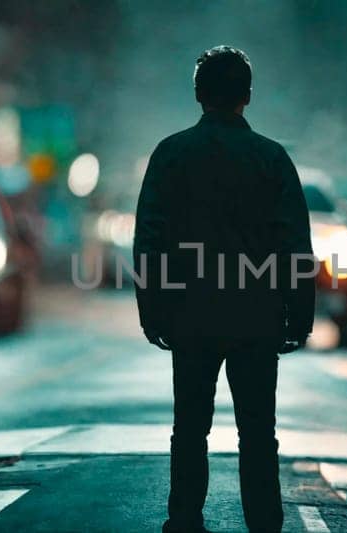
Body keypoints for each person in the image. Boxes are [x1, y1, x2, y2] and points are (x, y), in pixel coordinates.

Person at [133, 45, 315, 532]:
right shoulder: (272, 159)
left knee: (189, 429)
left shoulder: (171, 154)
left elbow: (149, 241)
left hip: (190, 314)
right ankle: (263, 522)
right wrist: (299, 318)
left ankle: (185, 519)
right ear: (248, 96)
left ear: (198, 94)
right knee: (258, 434)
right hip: (257, 316)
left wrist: (152, 311)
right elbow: (296, 245)